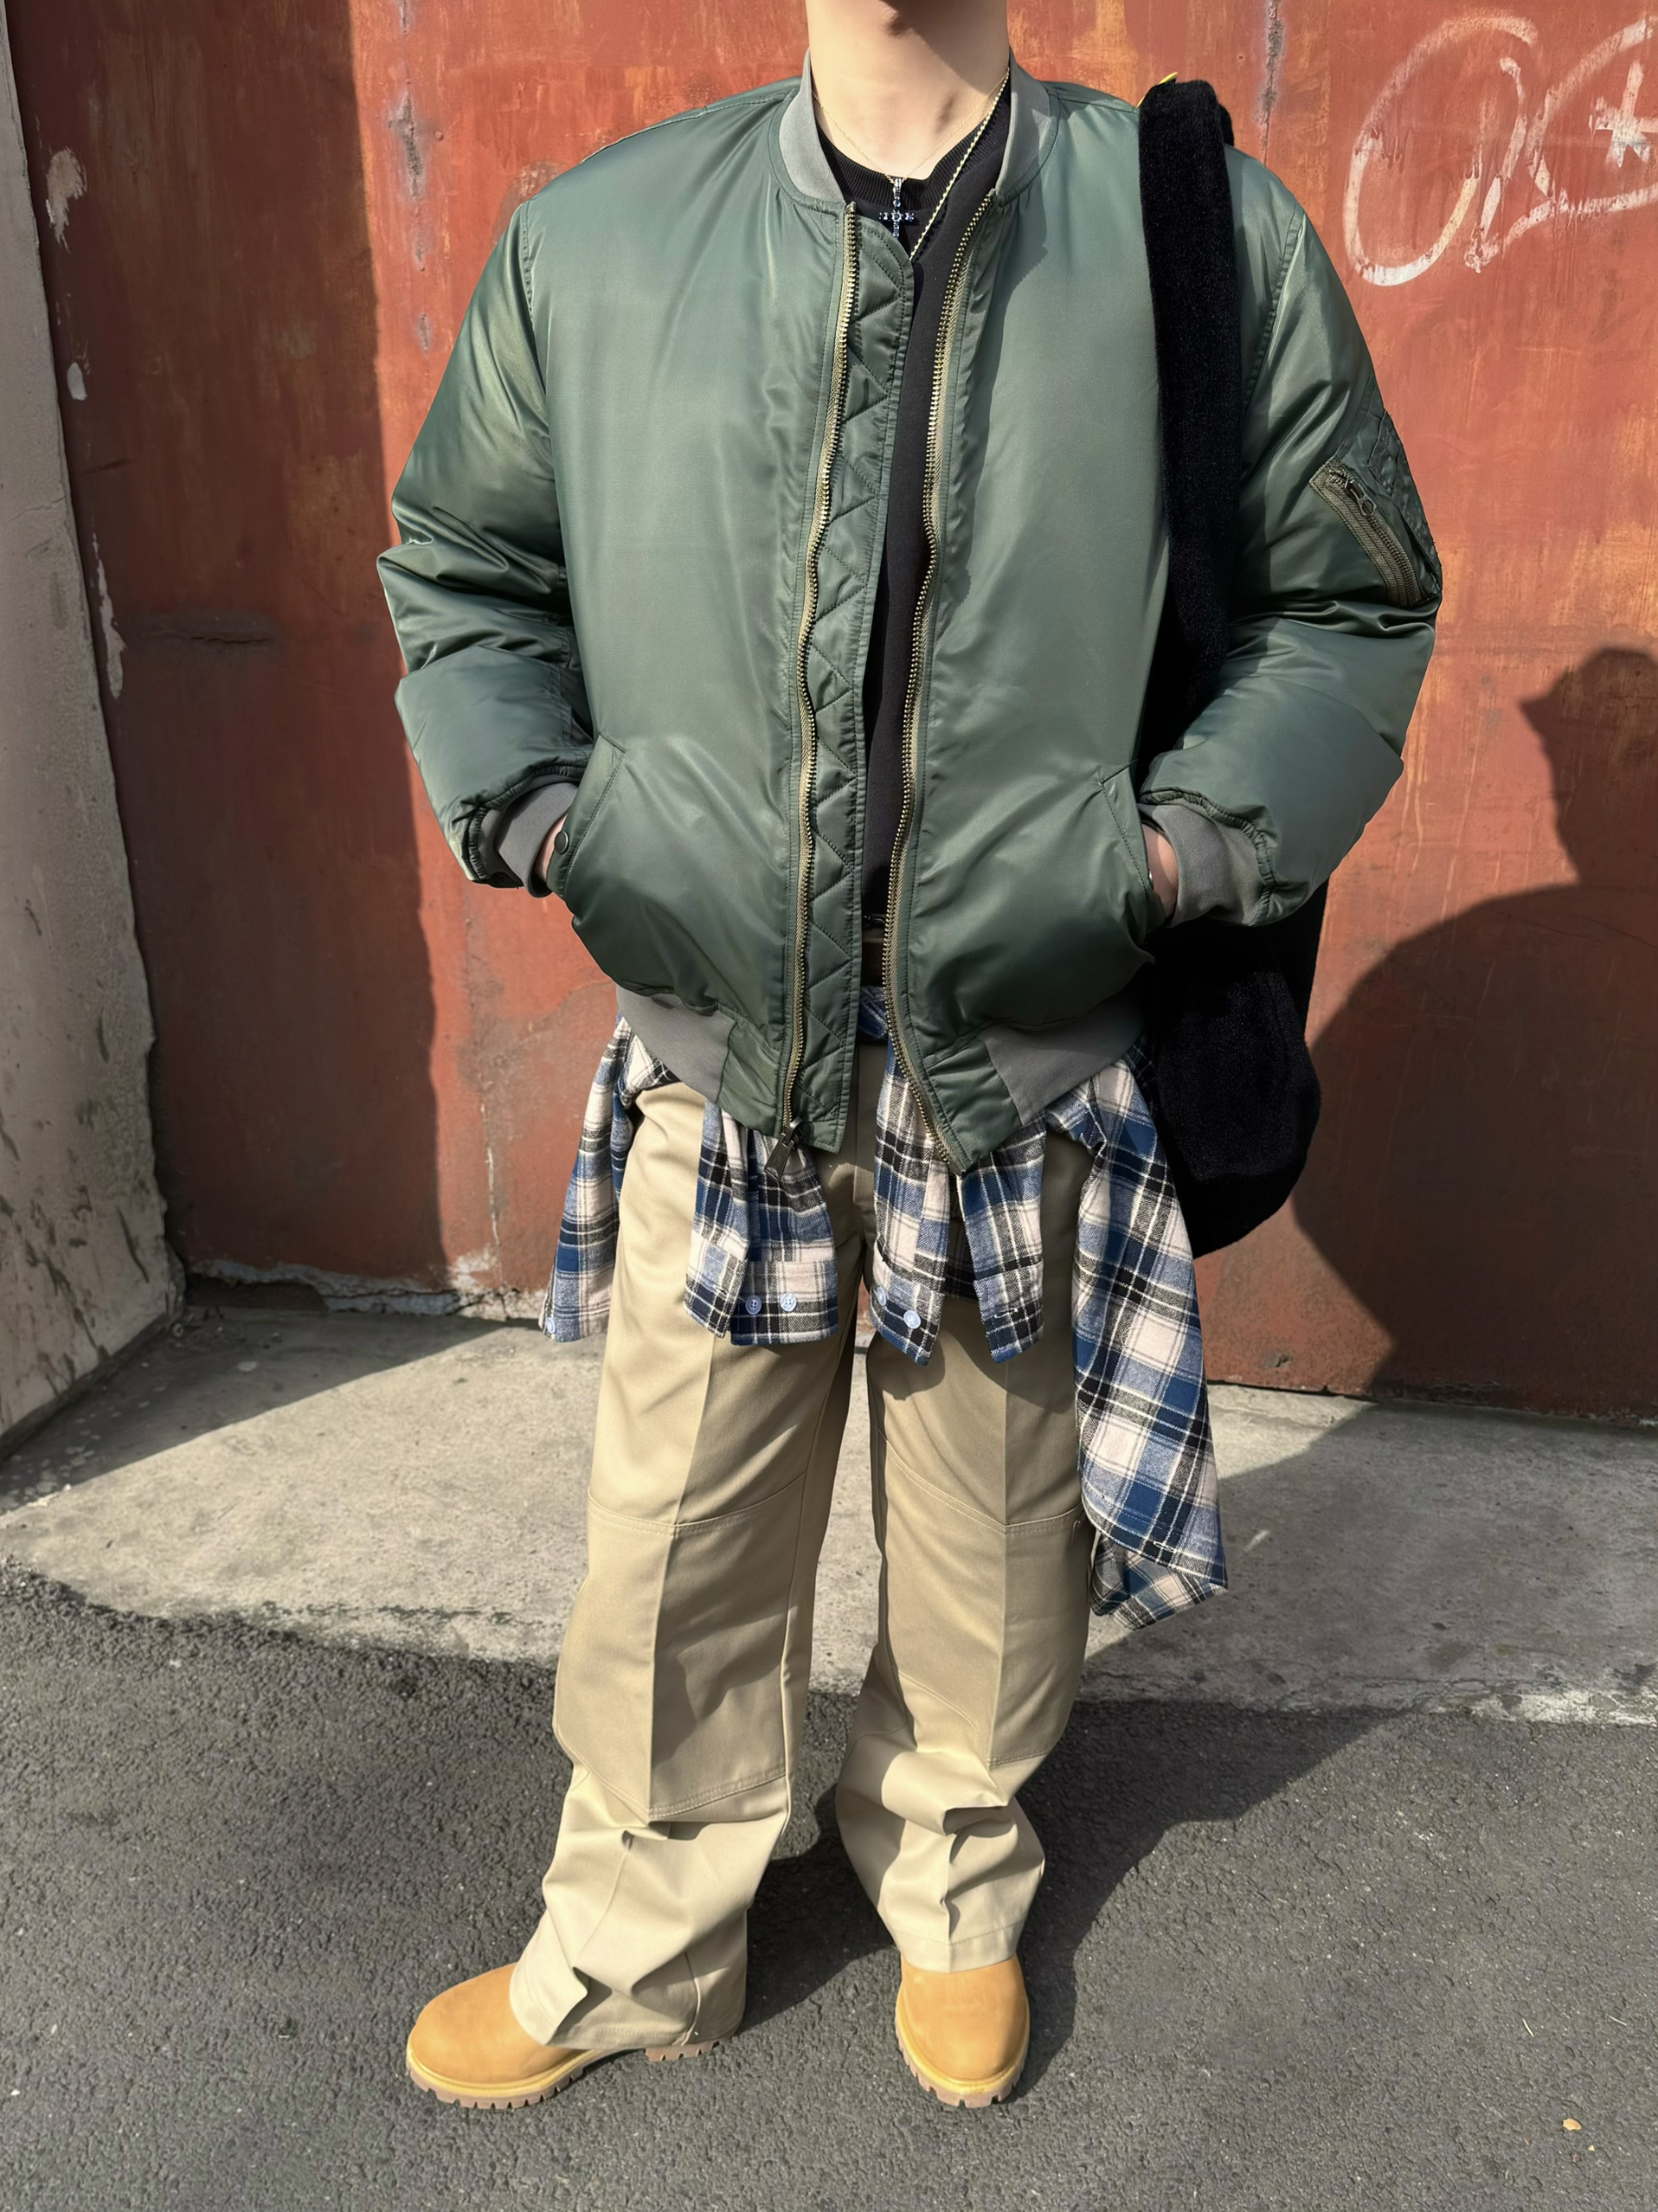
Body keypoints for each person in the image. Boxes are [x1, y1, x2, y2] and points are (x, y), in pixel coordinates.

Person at [378, 0, 1440, 2112]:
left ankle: (953, 1876)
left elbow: (1347, 600)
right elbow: (467, 565)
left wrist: (1167, 854)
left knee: (993, 1537)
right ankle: (639, 1929)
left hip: (1023, 1051)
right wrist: (559, 820)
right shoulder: (595, 242)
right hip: (720, 1054)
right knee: (673, 1534)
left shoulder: (1197, 233)